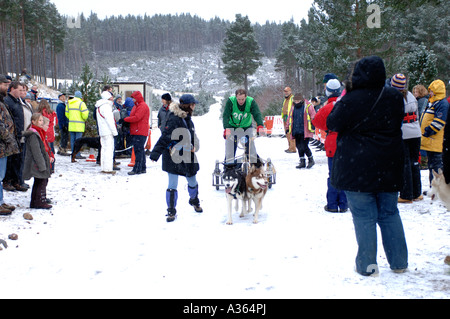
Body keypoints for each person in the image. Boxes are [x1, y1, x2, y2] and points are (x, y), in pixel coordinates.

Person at [327, 56, 408, 276]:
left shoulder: (351, 99)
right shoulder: (393, 97)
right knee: (390, 213)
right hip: (389, 164)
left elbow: (332, 122)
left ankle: (368, 266)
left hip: (357, 167)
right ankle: (399, 262)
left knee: (364, 216)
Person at [150, 94, 202, 222]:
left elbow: (192, 134)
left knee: (192, 181)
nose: (194, 106)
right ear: (189, 105)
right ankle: (171, 211)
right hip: (172, 155)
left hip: (187, 155)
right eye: (193, 104)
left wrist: (195, 145)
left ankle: (194, 200)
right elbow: (165, 136)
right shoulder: (174, 118)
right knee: (172, 184)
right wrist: (155, 153)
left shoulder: (188, 118)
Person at [312, 78, 348, 213]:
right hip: (346, 141)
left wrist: (327, 127)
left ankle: (332, 204)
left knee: (333, 173)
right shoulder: (347, 105)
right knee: (345, 173)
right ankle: (344, 203)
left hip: (332, 142)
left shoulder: (326, 108)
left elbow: (316, 122)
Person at [389, 74, 423, 203]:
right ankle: (416, 192)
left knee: (405, 164)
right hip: (415, 132)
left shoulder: (394, 98)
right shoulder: (411, 96)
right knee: (415, 162)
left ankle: (406, 194)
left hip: (403, 133)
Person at [222, 89, 265, 168]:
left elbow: (257, 114)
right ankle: (228, 168)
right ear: (236, 97)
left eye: (242, 99)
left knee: (250, 149)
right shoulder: (231, 101)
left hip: (246, 128)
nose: (241, 101)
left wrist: (260, 125)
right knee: (230, 150)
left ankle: (256, 167)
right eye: (239, 99)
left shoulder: (250, 101)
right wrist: (226, 128)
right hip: (233, 128)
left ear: (246, 97)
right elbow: (226, 116)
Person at [420, 79, 449, 188]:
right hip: (430, 141)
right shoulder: (433, 102)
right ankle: (434, 186)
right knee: (431, 165)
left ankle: (439, 188)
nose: (430, 93)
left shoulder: (442, 103)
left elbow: (439, 121)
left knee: (437, 166)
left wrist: (428, 130)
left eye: (432, 91)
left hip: (435, 140)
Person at [22, 113, 52, 209]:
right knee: (41, 181)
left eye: (42, 120)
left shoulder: (39, 132)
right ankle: (40, 201)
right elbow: (36, 152)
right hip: (36, 163)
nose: (41, 122)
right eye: (39, 120)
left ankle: (35, 201)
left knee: (40, 181)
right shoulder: (33, 135)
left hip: (39, 162)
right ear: (33, 122)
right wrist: (42, 165)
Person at [0, 75, 20, 215]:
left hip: (4, 146)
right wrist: (9, 138)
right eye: (5, 85)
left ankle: (0, 201)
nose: (7, 88)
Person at [3, 81, 27, 192]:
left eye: (23, 90)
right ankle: (8, 181)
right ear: (12, 89)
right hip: (11, 136)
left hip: (20, 135)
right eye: (20, 90)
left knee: (18, 160)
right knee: (10, 160)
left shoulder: (18, 101)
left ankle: (16, 180)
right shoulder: (7, 101)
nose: (22, 92)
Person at [123, 91, 149, 175]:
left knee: (138, 150)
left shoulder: (142, 106)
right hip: (137, 130)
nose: (133, 99)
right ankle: (142, 167)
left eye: (134, 98)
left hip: (139, 131)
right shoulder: (137, 106)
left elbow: (137, 117)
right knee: (140, 150)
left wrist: (125, 119)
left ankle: (137, 168)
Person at [288, 93, 316, 169]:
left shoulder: (307, 106)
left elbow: (313, 115)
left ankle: (311, 159)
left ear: (302, 100)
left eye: (298, 100)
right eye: (295, 100)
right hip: (296, 130)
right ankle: (302, 161)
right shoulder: (293, 107)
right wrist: (287, 126)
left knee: (304, 146)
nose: (296, 102)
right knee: (298, 146)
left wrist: (314, 123)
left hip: (305, 130)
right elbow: (290, 117)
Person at [96, 91, 119, 175]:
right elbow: (110, 121)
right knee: (109, 150)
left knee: (104, 149)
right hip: (108, 131)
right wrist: (115, 132)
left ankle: (104, 167)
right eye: (111, 97)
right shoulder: (106, 107)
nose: (113, 99)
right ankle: (108, 168)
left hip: (102, 131)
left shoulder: (99, 106)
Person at [66, 91, 89, 159]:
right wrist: (83, 119)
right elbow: (85, 115)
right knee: (79, 141)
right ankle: (77, 154)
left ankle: (73, 153)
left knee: (73, 141)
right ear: (81, 97)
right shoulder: (81, 103)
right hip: (79, 125)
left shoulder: (69, 103)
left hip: (71, 125)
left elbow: (67, 114)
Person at [38, 99, 57, 173]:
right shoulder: (52, 113)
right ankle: (51, 167)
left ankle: (43, 167)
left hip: (42, 133)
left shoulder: (38, 113)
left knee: (42, 150)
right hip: (50, 133)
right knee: (50, 150)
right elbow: (55, 123)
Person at [281, 87, 296, 153]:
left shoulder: (292, 98)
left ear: (290, 91)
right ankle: (290, 147)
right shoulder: (286, 99)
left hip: (290, 118)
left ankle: (293, 148)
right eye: (285, 91)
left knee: (290, 133)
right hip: (285, 118)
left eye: (287, 91)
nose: (286, 92)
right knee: (287, 133)